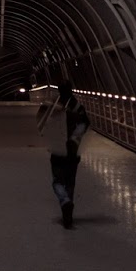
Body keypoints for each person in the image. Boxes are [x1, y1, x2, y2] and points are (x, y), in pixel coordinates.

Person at [36, 80, 90, 228]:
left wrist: (48, 136)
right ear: (71, 90)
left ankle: (65, 201)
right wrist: (74, 139)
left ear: (59, 90)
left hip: (58, 150)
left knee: (57, 181)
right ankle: (68, 215)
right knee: (70, 182)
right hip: (72, 151)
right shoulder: (78, 107)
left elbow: (40, 120)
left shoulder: (53, 105)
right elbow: (85, 123)